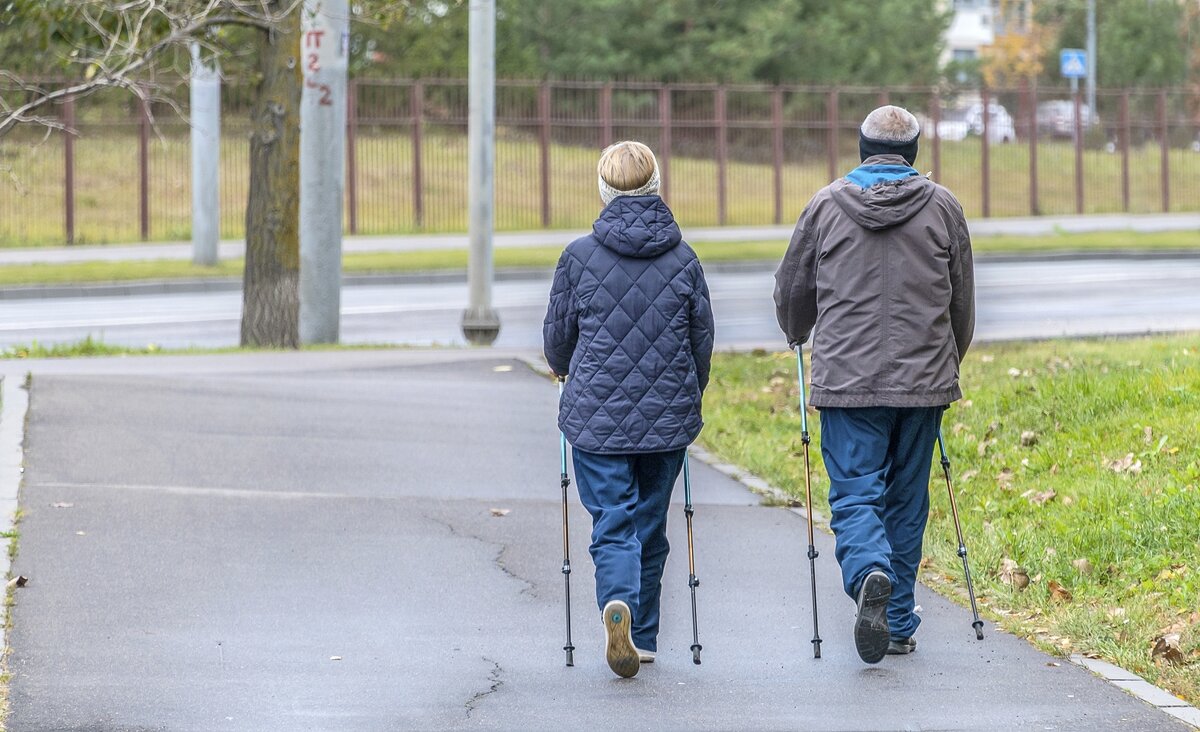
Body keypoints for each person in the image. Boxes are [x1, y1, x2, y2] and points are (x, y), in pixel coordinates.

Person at [773, 105, 975, 664]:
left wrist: (796, 331)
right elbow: (962, 301)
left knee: (856, 491)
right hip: (923, 380)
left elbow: (793, 290)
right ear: (914, 155)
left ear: (861, 151)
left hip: (847, 380)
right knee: (907, 500)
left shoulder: (825, 206)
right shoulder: (943, 208)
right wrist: (949, 358)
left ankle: (869, 572)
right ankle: (900, 620)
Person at [543, 140, 714, 679]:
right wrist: (689, 394)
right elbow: (701, 342)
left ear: (603, 189)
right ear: (656, 185)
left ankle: (617, 601)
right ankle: (640, 637)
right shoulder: (684, 258)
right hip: (667, 421)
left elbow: (557, 344)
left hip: (596, 418)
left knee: (612, 521)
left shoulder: (577, 257)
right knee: (650, 525)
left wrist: (567, 369)